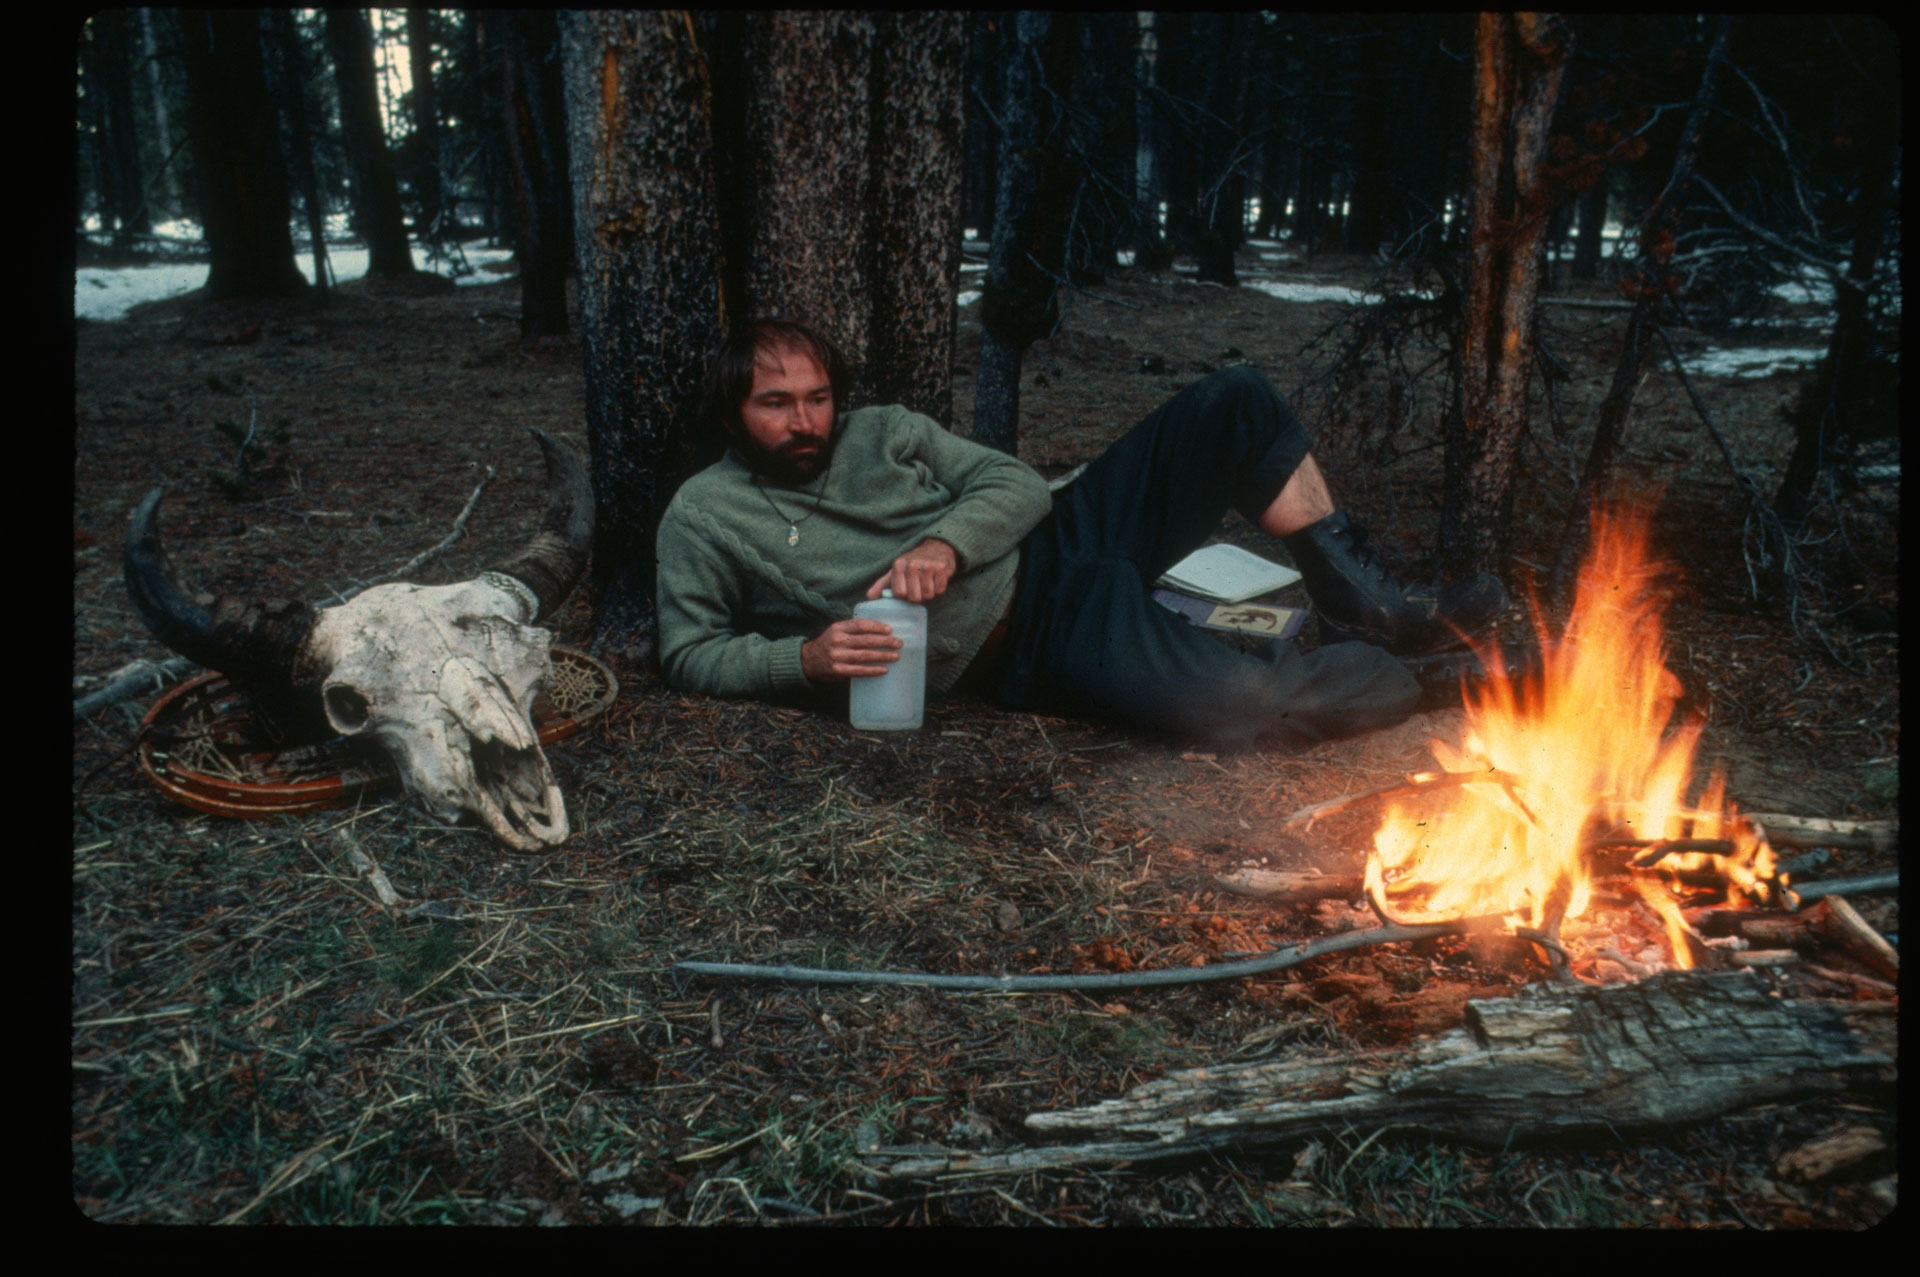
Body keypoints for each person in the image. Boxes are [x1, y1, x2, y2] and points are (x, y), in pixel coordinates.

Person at [655, 318, 1508, 751]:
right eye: (776, 404)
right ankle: (1430, 681)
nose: (806, 421)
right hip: (1035, 640)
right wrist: (799, 661)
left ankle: (1366, 603)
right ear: (734, 412)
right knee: (1253, 707)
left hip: (1062, 535)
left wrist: (945, 543)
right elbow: (688, 650)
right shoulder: (705, 513)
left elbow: (1013, 483)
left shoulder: (885, 430)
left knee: (1235, 400)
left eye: (816, 397)